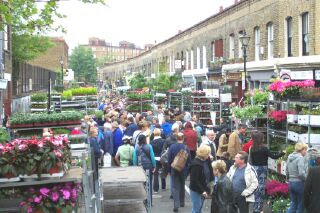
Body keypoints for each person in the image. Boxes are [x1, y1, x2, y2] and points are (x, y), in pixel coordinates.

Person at [249, 131, 284, 213]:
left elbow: (251, 160)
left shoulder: (252, 148)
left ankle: (256, 208)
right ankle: (257, 209)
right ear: (260, 139)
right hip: (262, 170)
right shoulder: (264, 148)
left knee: (256, 189)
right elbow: (274, 156)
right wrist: (282, 153)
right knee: (261, 190)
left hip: (254, 169)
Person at [168, 133, 191, 212]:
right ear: (183, 138)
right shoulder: (186, 148)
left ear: (176, 138)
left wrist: (170, 170)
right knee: (182, 185)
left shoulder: (172, 147)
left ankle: (176, 205)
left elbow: (169, 159)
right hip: (183, 169)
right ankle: (182, 202)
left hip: (174, 169)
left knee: (175, 187)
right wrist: (187, 171)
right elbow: (189, 161)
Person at [189, 145, 214, 213]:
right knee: (197, 208)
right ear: (204, 154)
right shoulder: (195, 165)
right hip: (196, 189)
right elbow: (194, 180)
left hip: (204, 187)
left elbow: (210, 171)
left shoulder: (207, 159)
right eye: (208, 153)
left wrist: (211, 182)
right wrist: (202, 191)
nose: (209, 155)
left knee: (199, 207)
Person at [133, 134, 156, 205]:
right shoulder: (149, 146)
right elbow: (152, 157)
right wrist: (154, 166)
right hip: (148, 166)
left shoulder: (136, 147)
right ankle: (149, 202)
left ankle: (143, 200)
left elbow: (134, 158)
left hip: (140, 167)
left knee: (142, 184)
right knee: (149, 183)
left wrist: (135, 166)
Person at [286, 142, 308, 213]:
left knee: (293, 204)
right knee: (300, 205)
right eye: (305, 150)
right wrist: (306, 179)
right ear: (301, 149)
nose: (306, 151)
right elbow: (301, 173)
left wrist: (288, 179)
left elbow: (287, 170)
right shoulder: (300, 158)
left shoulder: (289, 156)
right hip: (299, 183)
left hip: (291, 183)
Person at [150, 128, 166, 192]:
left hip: (155, 158)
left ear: (153, 133)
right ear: (160, 133)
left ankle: (156, 189)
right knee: (163, 171)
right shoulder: (163, 141)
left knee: (155, 174)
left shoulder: (151, 142)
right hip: (162, 157)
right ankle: (163, 186)